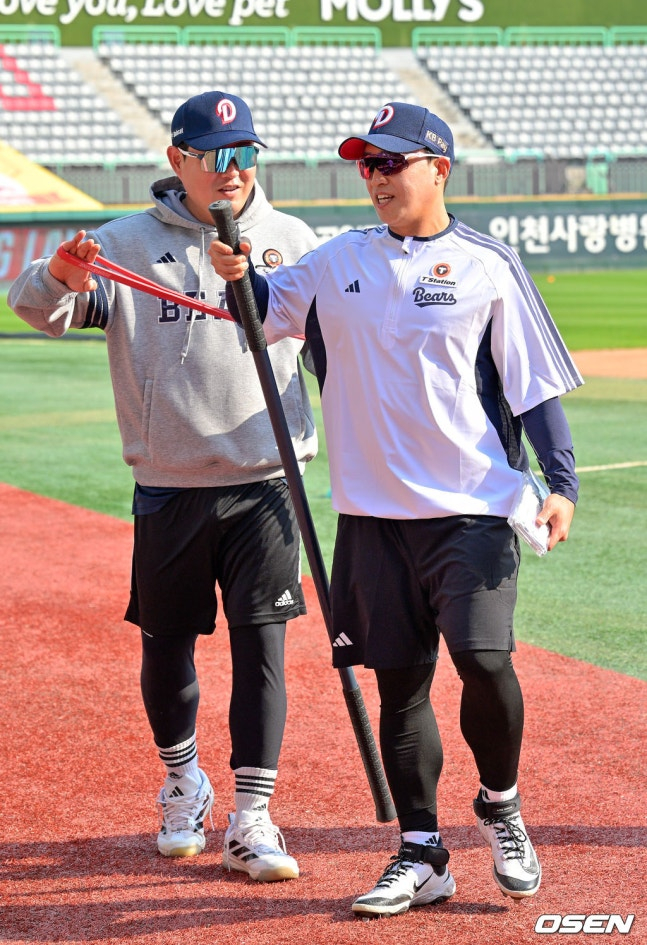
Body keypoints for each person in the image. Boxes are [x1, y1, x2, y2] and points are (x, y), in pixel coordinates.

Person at [208, 102, 582, 916]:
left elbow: (533, 386)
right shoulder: (335, 260)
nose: (374, 178)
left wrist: (561, 482)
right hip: (372, 518)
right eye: (365, 165)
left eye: (390, 162)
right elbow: (261, 310)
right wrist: (236, 272)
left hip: (473, 508)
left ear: (437, 168)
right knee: (400, 687)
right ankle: (421, 852)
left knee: (484, 660)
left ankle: (500, 803)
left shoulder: (487, 264)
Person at [8, 90, 319, 882]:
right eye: (215, 156)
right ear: (178, 160)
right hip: (169, 482)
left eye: (245, 153)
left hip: (265, 481)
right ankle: (184, 783)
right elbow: (36, 309)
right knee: (166, 644)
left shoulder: (291, 240)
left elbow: (334, 349)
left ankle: (252, 816)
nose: (233, 170)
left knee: (262, 647)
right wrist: (58, 274)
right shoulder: (125, 243)